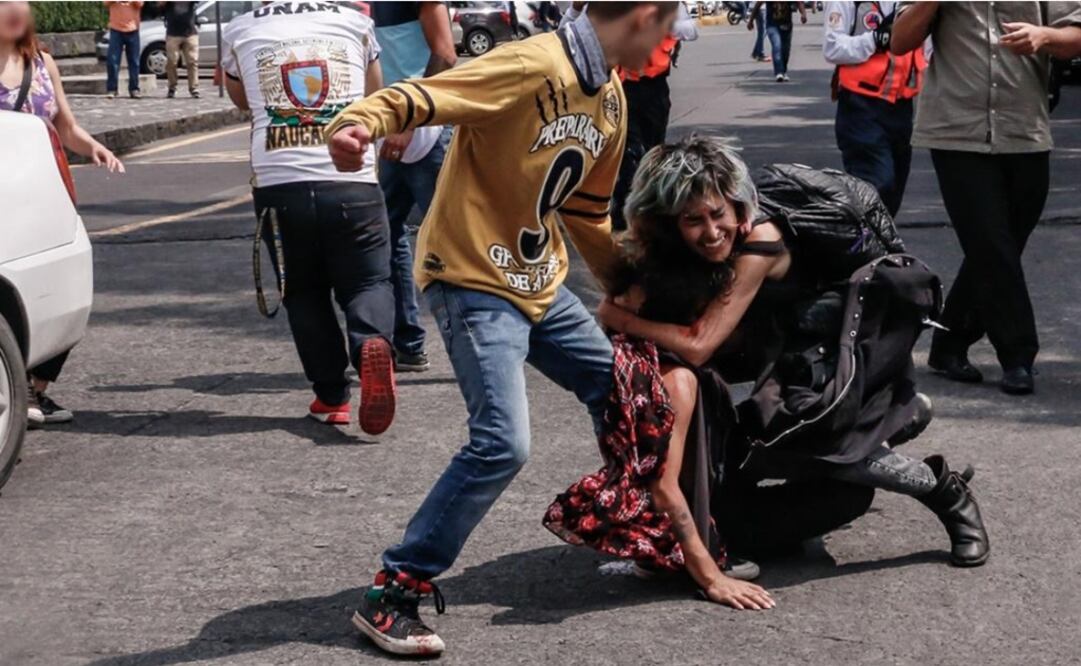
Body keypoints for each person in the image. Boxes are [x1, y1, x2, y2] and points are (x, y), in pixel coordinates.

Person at [324, 2, 678, 655]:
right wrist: (355, 126)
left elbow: (587, 216)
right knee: (501, 443)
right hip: (468, 276)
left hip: (538, 279)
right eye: (669, 24)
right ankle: (393, 588)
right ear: (645, 15)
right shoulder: (529, 63)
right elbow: (421, 94)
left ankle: (637, 529)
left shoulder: (611, 103)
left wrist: (634, 291)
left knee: (624, 392)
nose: (671, 38)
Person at [593, 137, 989, 580]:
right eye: (692, 221)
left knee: (817, 443)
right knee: (752, 456)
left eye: (718, 213)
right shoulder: (686, 246)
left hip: (843, 344)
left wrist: (619, 317)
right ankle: (892, 417)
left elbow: (701, 342)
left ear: (736, 202)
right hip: (795, 344)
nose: (711, 231)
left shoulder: (760, 238)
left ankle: (942, 489)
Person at [221, 0, 397, 434]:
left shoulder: (240, 28)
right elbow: (374, 93)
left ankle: (332, 396)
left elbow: (243, 98)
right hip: (352, 179)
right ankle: (371, 340)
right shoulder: (356, 21)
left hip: (279, 184)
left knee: (302, 290)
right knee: (368, 281)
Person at [892, 1, 1081, 395]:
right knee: (991, 244)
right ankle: (1018, 354)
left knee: (999, 246)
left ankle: (949, 342)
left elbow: (1074, 37)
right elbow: (899, 42)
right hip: (955, 130)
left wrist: (1044, 36)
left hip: (1025, 129)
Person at [0, 0, 125, 428]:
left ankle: (36, 391)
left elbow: (65, 125)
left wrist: (93, 148)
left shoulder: (43, 64)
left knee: (61, 282)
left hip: (44, 190)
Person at [370, 1, 457, 373]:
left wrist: (411, 124)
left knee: (455, 246)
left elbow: (445, 54)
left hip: (426, 132)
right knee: (386, 237)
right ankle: (408, 343)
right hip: (393, 132)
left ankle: (480, 344)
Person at [561, 1, 698, 230]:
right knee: (628, 154)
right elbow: (565, 34)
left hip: (654, 90)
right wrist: (576, 8)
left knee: (653, 152)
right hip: (615, 90)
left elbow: (689, 31)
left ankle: (649, 205)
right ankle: (627, 214)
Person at [823, 1, 926, 217]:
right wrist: (874, 40)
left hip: (901, 107)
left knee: (894, 190)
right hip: (860, 106)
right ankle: (861, 244)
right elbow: (832, 47)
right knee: (877, 183)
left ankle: (875, 243)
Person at [748, 1, 807, 82]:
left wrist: (803, 14)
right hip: (772, 25)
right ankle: (778, 72)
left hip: (786, 25)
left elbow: (799, 2)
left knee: (785, 50)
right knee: (777, 45)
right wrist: (751, 20)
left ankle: (783, 71)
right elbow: (758, 4)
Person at [103, 1, 143, 99]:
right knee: (113, 61)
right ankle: (112, 89)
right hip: (116, 29)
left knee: (134, 62)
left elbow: (140, 4)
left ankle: (134, 89)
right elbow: (105, 3)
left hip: (133, 29)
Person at [160, 0, 199, 99]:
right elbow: (159, 4)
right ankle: (172, 87)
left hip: (190, 32)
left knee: (192, 61)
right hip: (173, 33)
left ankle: (194, 88)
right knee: (172, 61)